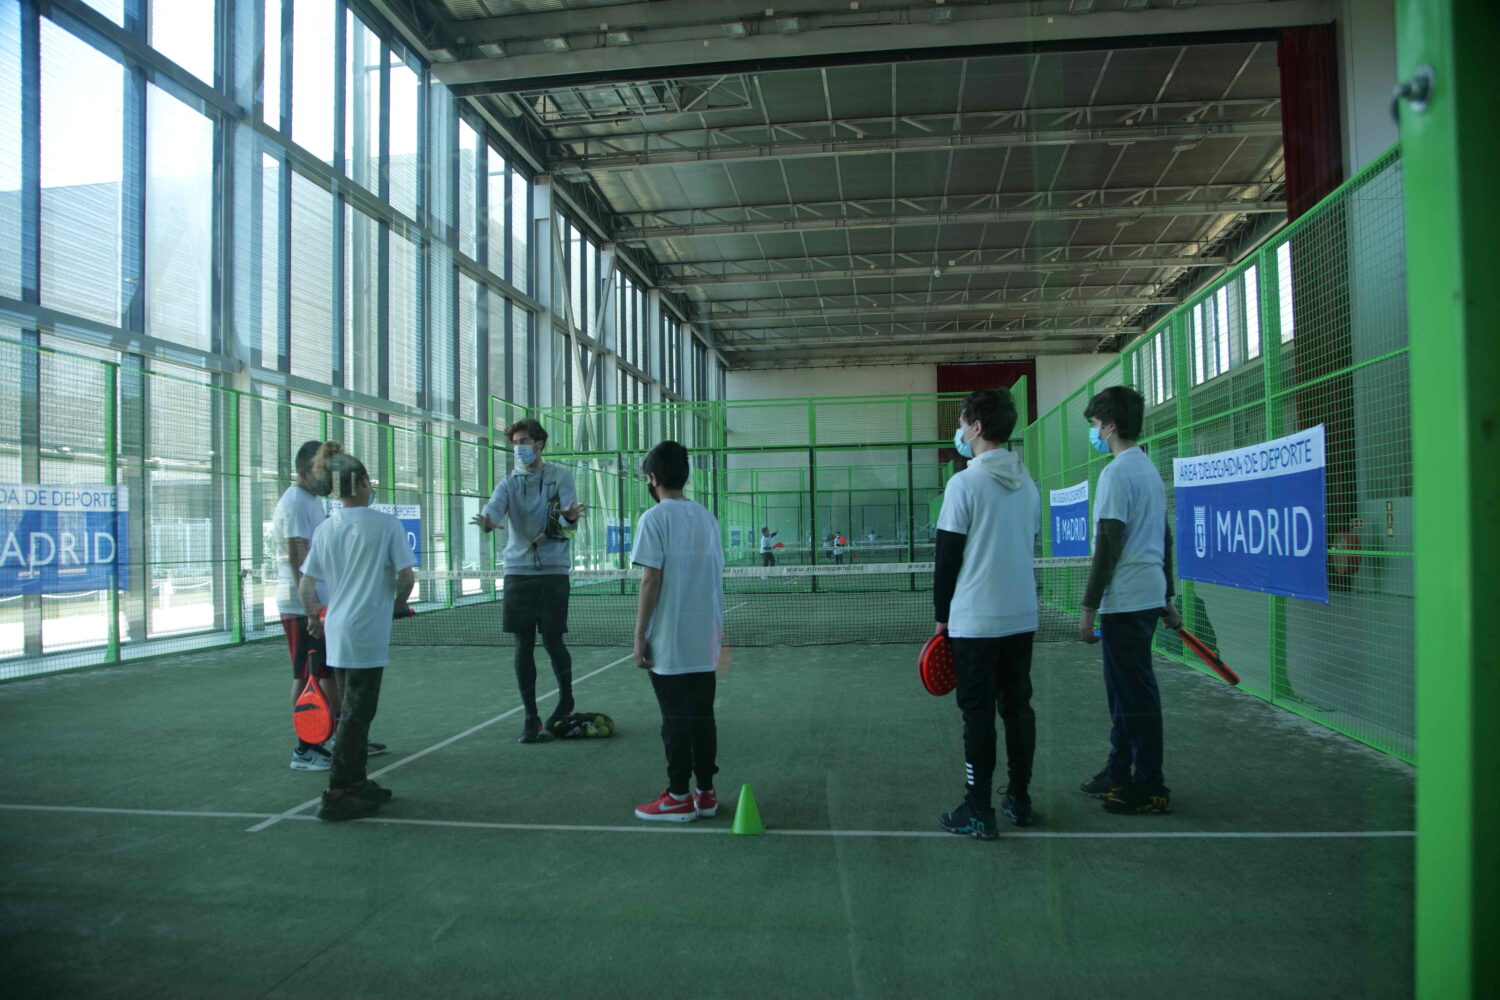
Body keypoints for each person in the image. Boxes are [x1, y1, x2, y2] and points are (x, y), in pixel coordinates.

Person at [932, 388, 1041, 840]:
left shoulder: (963, 484)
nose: (959, 432)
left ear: (976, 428)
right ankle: (1019, 798)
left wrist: (942, 618)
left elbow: (947, 558)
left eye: (961, 424)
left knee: (977, 714)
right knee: (1017, 709)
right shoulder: (1029, 485)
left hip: (975, 622)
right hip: (1021, 617)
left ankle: (978, 810)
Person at [297, 443, 416, 822]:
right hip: (365, 633)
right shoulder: (386, 525)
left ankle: (358, 782)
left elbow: (306, 584)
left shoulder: (326, 528)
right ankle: (337, 793)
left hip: (337, 631)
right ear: (363, 481)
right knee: (356, 712)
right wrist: (398, 605)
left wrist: (314, 616)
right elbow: (406, 577)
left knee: (354, 708)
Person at [1077, 386, 1181, 815]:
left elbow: (1108, 544)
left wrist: (1088, 608)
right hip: (1145, 596)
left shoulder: (1116, 474)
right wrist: (1166, 596)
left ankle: (1150, 785)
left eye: (1095, 425)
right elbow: (1164, 538)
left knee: (1135, 696)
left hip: (1126, 600)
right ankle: (1119, 770)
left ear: (1111, 426)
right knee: (1124, 693)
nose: (1094, 433)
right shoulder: (1148, 470)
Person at [471, 419, 587, 743]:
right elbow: (494, 509)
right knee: (522, 645)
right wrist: (488, 521)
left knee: (553, 641)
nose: (519, 447)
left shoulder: (561, 477)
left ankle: (566, 700)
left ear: (539, 444)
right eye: (515, 443)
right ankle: (530, 717)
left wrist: (570, 517)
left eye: (524, 441)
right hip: (517, 573)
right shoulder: (508, 483)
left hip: (553, 572)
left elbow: (569, 520)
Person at [631, 441, 725, 823]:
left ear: (652, 478)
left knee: (675, 720)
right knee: (702, 717)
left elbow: (650, 580)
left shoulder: (653, 519)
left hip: (669, 641)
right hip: (706, 639)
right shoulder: (707, 518)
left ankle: (678, 797)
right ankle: (706, 792)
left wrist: (639, 635)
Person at [273, 440, 341, 771]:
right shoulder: (297, 503)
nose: (328, 477)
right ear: (303, 472)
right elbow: (298, 558)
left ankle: (340, 737)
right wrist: (311, 607)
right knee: (306, 676)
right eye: (321, 471)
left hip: (316, 603)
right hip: (301, 608)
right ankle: (305, 749)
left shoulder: (311, 500)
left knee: (326, 673)